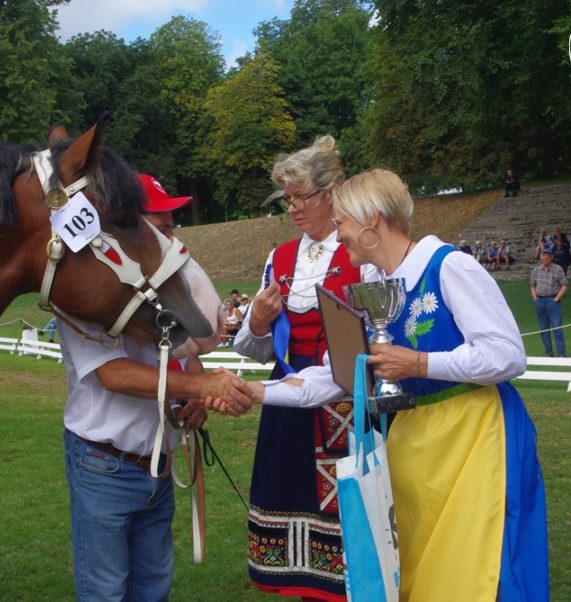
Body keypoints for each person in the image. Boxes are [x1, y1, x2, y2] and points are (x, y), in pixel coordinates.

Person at [221, 168, 549, 601]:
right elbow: (337, 374)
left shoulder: (449, 266)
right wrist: (261, 392)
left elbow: (508, 354)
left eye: (341, 224)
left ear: (371, 220)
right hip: (412, 440)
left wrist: (418, 362)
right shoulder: (370, 286)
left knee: (477, 569)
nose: (338, 239)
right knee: (419, 573)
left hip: (475, 436)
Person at [60, 175, 253, 602]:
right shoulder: (83, 292)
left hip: (156, 461)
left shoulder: (153, 292)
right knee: (106, 592)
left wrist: (195, 394)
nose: (171, 241)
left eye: (172, 228)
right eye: (161, 230)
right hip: (103, 463)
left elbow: (185, 351)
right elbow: (115, 374)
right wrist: (200, 384)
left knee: (152, 589)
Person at [233, 135, 361, 601]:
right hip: (287, 398)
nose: (293, 208)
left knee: (347, 522)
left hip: (344, 401)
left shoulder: (358, 253)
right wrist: (259, 321)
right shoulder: (279, 258)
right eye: (288, 199)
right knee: (292, 515)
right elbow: (254, 350)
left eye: (301, 197)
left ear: (331, 194)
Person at [531, 249, 568, 357]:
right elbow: (532, 285)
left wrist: (557, 297)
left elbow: (564, 285)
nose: (546, 257)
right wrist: (535, 299)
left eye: (548, 256)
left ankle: (561, 353)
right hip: (540, 300)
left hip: (552, 300)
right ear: (541, 257)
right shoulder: (536, 270)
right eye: (544, 255)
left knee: (557, 327)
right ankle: (548, 351)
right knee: (544, 329)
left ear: (551, 257)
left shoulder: (558, 269)